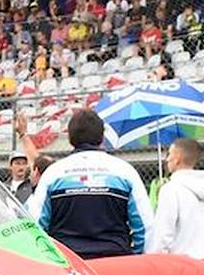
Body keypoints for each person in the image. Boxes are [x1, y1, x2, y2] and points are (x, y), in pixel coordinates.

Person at [27, 109, 151, 258]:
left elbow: (36, 225)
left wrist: (51, 261)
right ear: (102, 137)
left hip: (69, 263)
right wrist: (135, 257)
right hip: (115, 260)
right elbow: (145, 226)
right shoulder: (124, 171)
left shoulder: (53, 173)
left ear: (70, 137)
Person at [144, 136, 204, 260]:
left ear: (177, 158)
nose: (167, 159)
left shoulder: (170, 189)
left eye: (169, 154)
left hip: (180, 262)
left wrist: (153, 256)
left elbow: (163, 233)